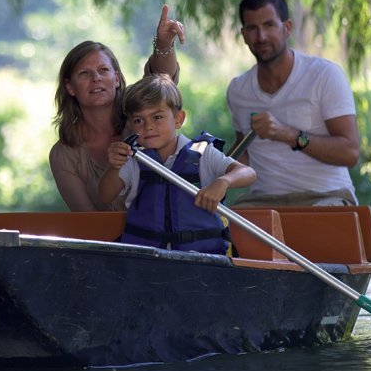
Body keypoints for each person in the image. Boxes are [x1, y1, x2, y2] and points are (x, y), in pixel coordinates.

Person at [226, 0, 360, 207]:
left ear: (286, 28)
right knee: (227, 228)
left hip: (326, 197)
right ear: (243, 34)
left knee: (321, 226)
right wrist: (207, 166)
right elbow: (245, 155)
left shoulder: (324, 75)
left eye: (269, 25)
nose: (261, 37)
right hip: (263, 201)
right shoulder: (238, 90)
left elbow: (350, 153)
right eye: (252, 28)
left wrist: (287, 134)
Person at [98, 74, 258, 255]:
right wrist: (113, 167)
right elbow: (105, 196)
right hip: (147, 261)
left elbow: (248, 173)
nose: (148, 126)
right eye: (138, 120)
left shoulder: (203, 153)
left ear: (178, 119)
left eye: (157, 117)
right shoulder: (133, 159)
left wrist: (224, 182)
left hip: (201, 261)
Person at [49, 5, 184, 211]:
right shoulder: (63, 155)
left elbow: (162, 83)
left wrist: (164, 43)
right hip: (107, 241)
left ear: (117, 79)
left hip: (166, 236)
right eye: (84, 73)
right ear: (70, 87)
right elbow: (87, 220)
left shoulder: (140, 115)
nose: (96, 78)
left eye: (103, 70)